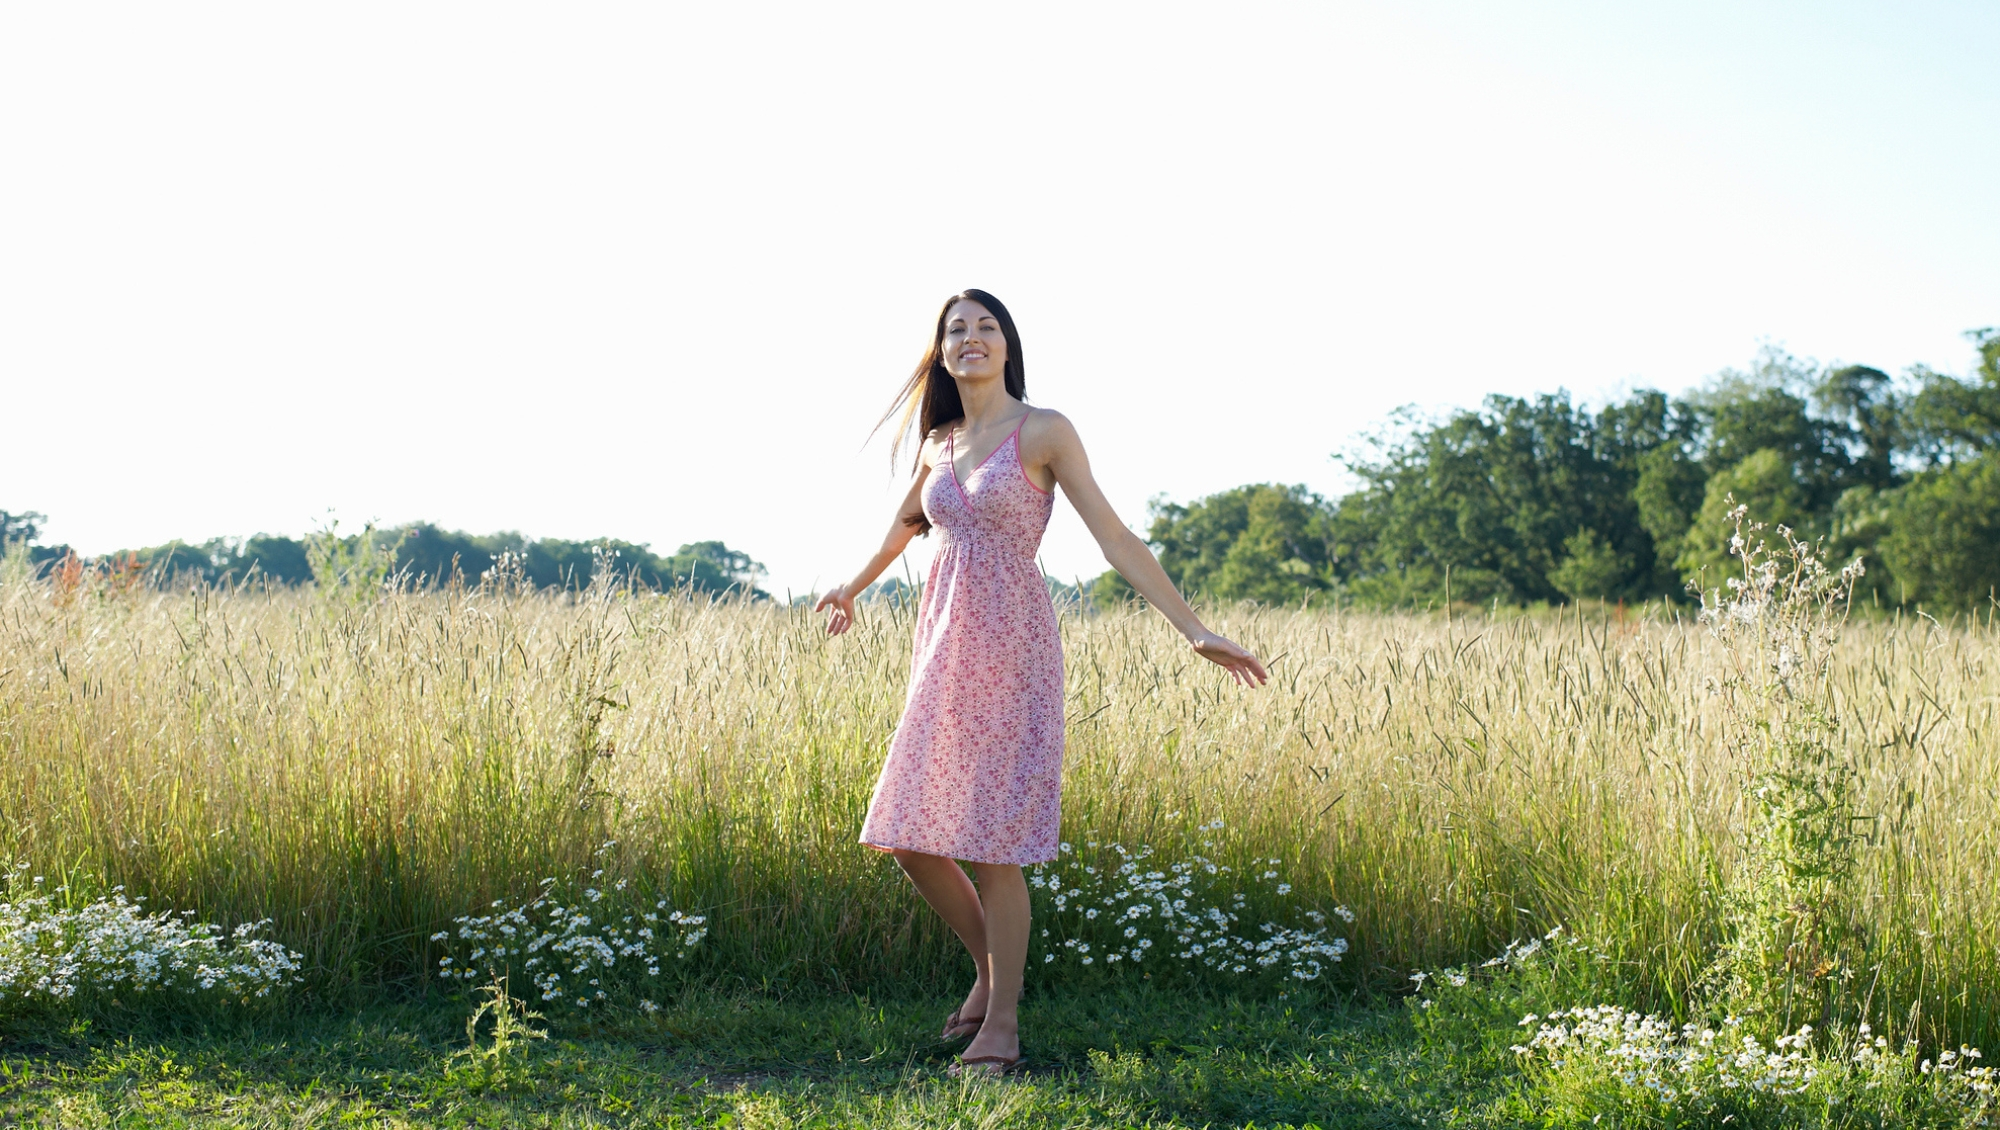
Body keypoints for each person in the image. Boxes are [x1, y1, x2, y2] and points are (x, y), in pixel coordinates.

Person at [815, 289, 1268, 1077]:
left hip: (1012, 653)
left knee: (993, 846)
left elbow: (1116, 535)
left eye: (986, 327)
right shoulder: (941, 442)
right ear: (942, 352)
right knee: (906, 833)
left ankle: (1006, 1026)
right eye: (956, 330)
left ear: (1007, 345)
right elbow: (906, 525)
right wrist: (851, 586)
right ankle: (989, 973)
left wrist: (1193, 627)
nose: (971, 339)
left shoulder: (1044, 431)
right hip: (942, 653)